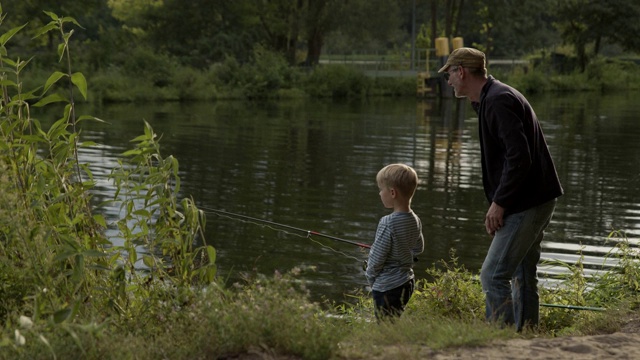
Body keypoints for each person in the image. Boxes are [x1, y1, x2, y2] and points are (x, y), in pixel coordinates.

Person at [438, 47, 564, 331]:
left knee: (492, 276)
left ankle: (498, 341)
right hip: (536, 197)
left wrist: (499, 202)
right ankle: (525, 337)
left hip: (527, 202)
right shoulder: (491, 98)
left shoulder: (497, 101)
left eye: (449, 74)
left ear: (462, 71)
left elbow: (519, 158)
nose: (448, 81)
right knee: (522, 272)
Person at [365, 163, 425, 320]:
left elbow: (376, 260)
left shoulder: (387, 222)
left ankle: (388, 344)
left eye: (381, 189)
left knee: (384, 325)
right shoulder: (415, 219)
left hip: (387, 286)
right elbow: (418, 248)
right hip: (407, 282)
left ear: (392, 193)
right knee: (394, 320)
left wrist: (371, 277)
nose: (379, 193)